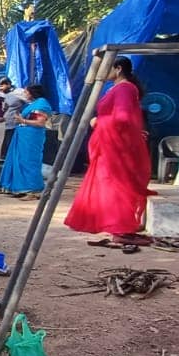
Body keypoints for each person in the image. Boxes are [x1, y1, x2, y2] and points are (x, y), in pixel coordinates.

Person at [65, 58, 154, 236]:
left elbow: (123, 118)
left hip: (116, 145)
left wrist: (99, 120)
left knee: (114, 181)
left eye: (104, 69)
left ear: (118, 69)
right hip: (109, 143)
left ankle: (119, 222)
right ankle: (111, 220)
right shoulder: (118, 88)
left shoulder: (125, 88)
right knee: (108, 181)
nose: (101, 74)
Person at [0, 85, 52, 196]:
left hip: (32, 137)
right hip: (24, 135)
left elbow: (40, 122)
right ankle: (19, 187)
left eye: (26, 92)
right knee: (20, 160)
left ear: (33, 93)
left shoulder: (41, 104)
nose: (25, 95)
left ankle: (32, 188)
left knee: (29, 161)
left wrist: (22, 120)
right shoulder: (33, 104)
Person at [0, 78, 24, 158]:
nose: (0, 88)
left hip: (14, 124)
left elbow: (29, 102)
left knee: (10, 143)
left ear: (9, 84)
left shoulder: (18, 92)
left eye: (2, 85)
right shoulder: (0, 93)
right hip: (3, 123)